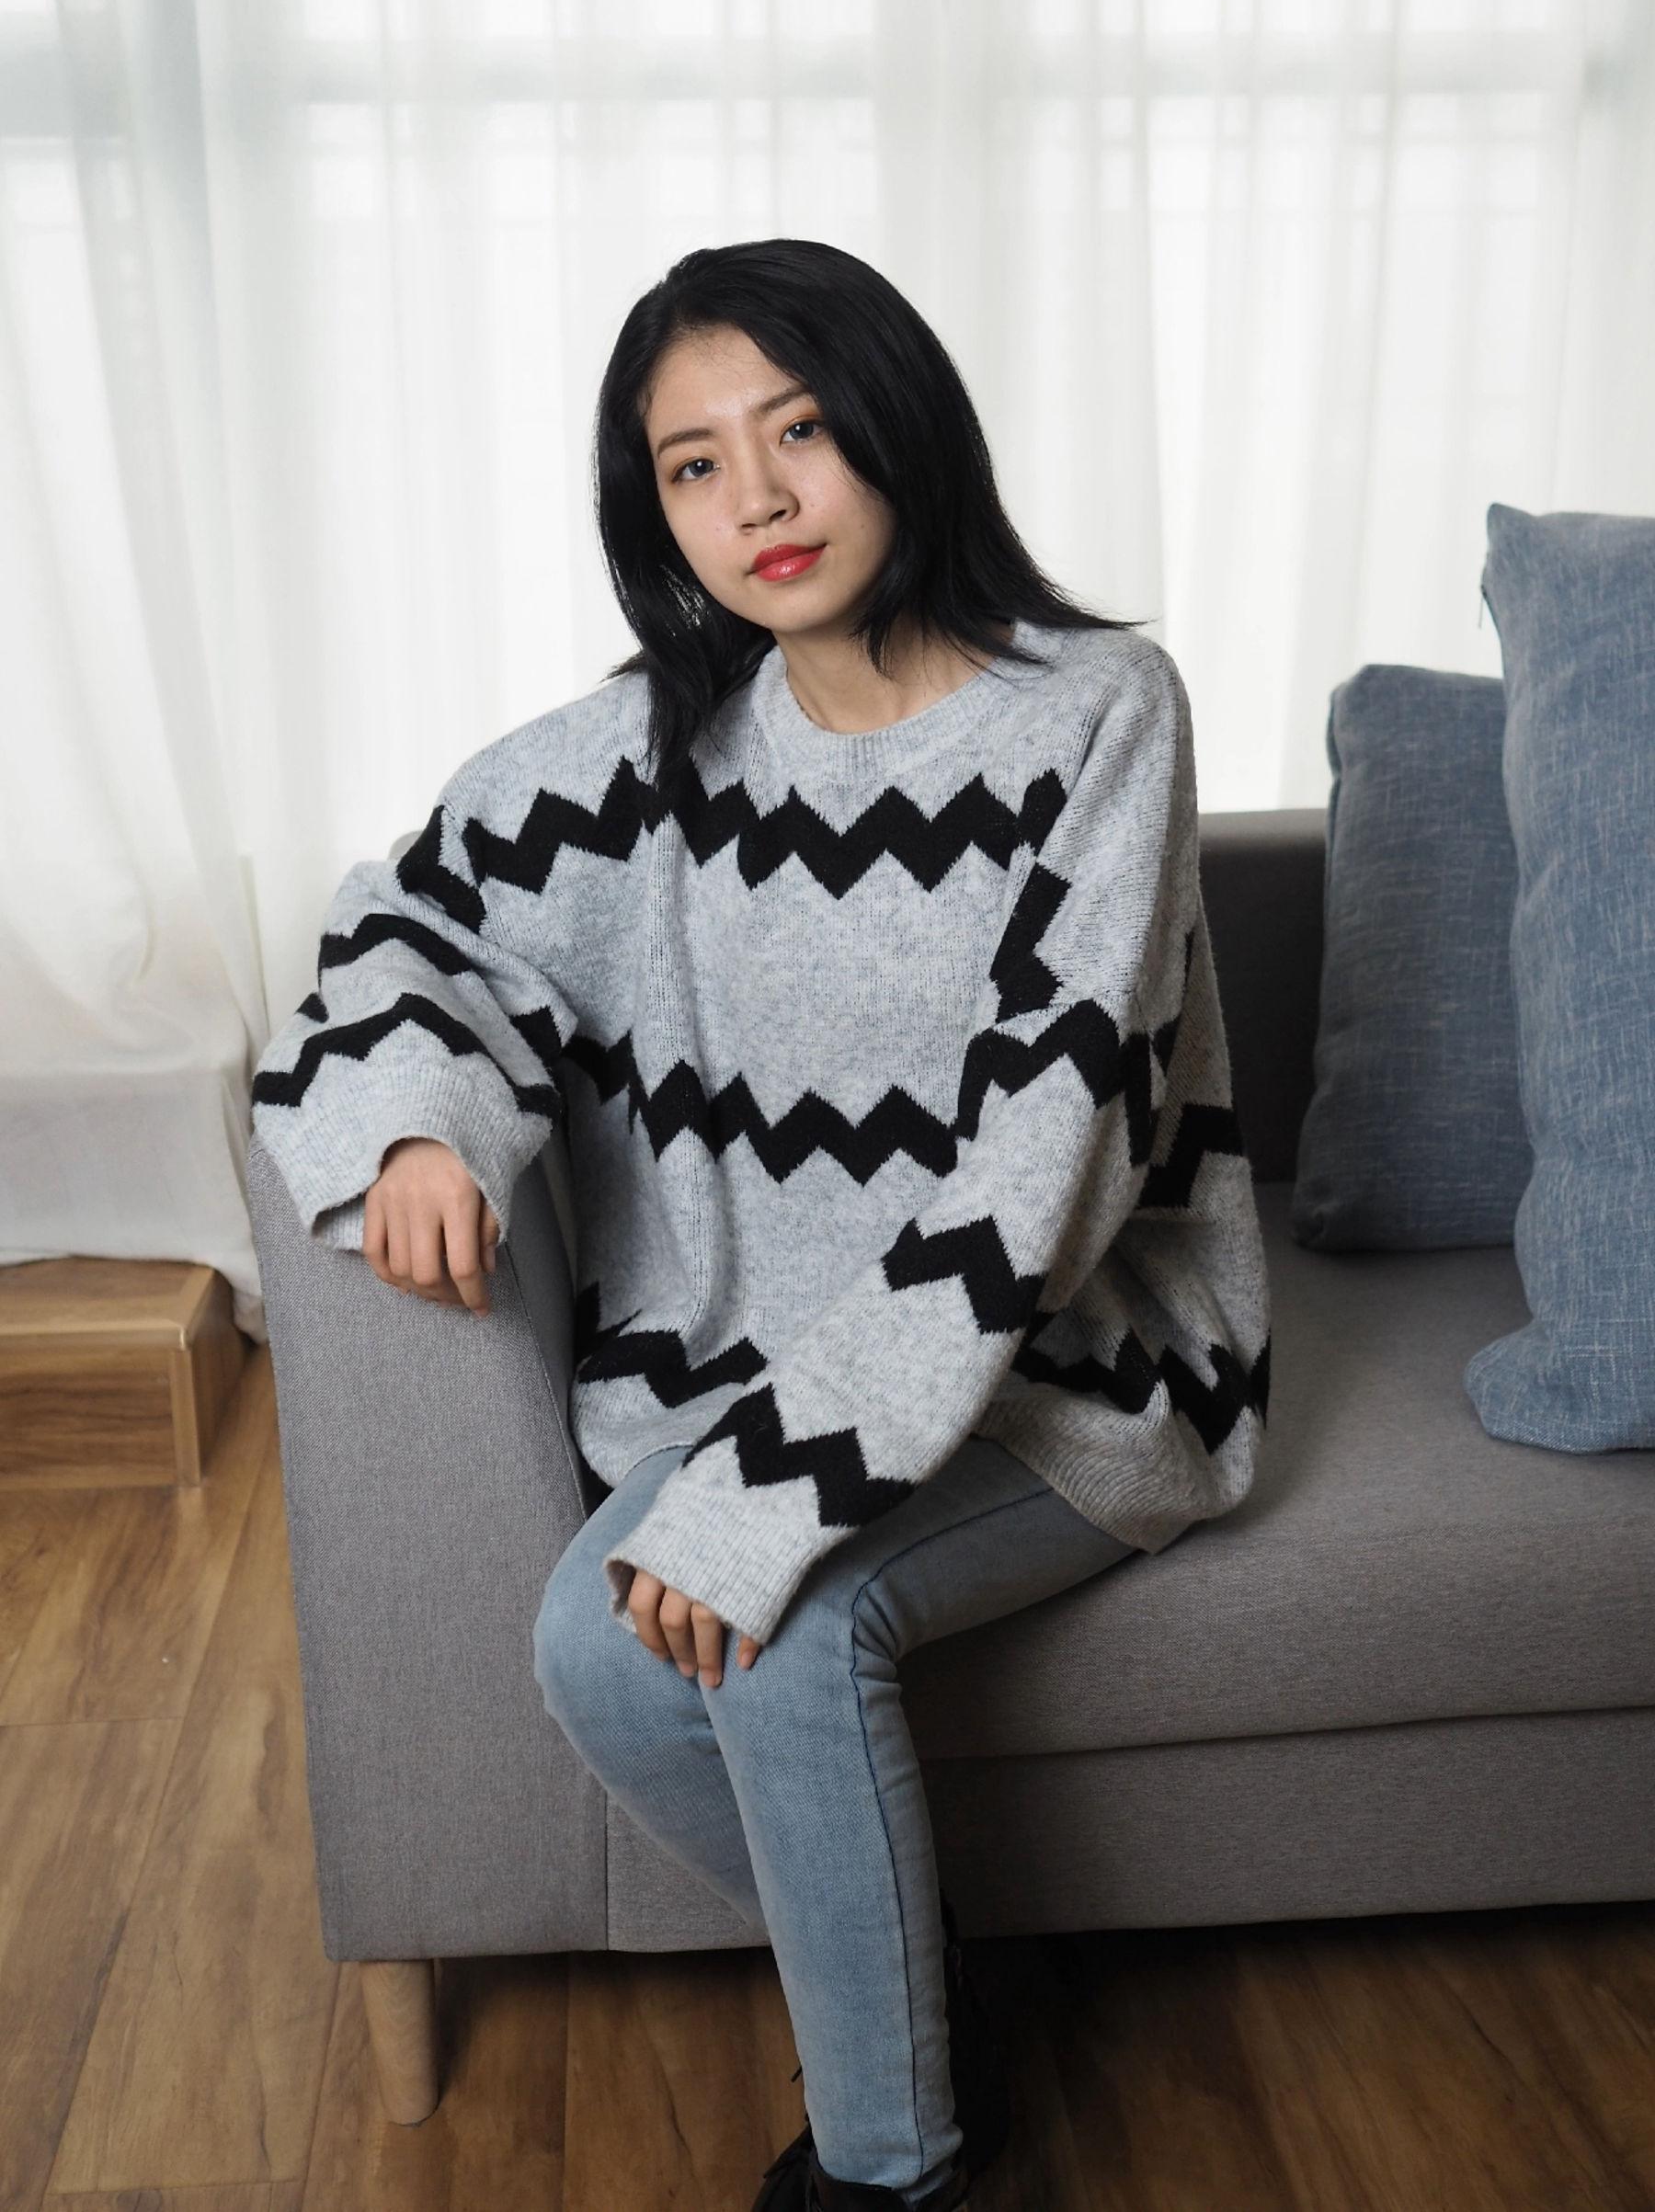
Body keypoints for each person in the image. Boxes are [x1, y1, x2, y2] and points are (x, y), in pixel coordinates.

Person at [251, 238, 1273, 2212]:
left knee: (783, 1634)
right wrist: (416, 1118)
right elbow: (407, 915)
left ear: (902, 425)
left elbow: (1046, 1163)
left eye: (800, 431)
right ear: (655, 512)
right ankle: (929, 1989)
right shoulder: (652, 749)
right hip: (763, 1357)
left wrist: (767, 1498)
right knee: (600, 1646)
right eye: (695, 464)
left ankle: (893, 2168)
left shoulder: (1096, 713)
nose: (760, 500)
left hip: (1071, 1354)